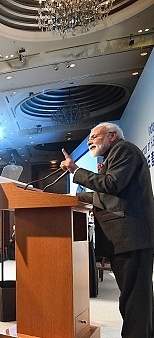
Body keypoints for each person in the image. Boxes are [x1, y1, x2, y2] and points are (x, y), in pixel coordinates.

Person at [60, 122, 154, 338]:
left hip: (131, 236)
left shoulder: (123, 149)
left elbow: (111, 184)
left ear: (112, 135)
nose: (90, 140)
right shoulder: (114, 156)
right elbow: (108, 196)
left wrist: (76, 170)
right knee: (135, 299)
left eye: (94, 136)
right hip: (128, 238)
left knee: (135, 301)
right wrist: (72, 198)